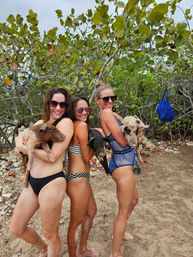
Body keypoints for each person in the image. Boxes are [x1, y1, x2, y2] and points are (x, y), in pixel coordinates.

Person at [9, 87, 74, 257]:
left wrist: (26, 148)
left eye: (62, 104)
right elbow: (17, 150)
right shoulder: (38, 124)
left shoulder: (65, 124)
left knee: (50, 234)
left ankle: (49, 247)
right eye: (54, 103)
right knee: (16, 228)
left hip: (52, 181)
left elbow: (53, 157)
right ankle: (43, 248)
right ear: (48, 104)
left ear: (67, 106)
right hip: (32, 181)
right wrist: (20, 146)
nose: (58, 108)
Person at [95, 82, 138, 257]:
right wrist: (134, 131)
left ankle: (118, 233)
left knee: (134, 201)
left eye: (113, 97)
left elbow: (116, 133)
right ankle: (115, 252)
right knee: (123, 209)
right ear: (98, 101)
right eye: (106, 99)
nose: (110, 101)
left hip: (128, 160)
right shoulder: (106, 113)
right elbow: (122, 140)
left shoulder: (112, 113)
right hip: (122, 163)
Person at [66, 95, 99, 257]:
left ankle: (83, 249)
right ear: (73, 110)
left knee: (91, 211)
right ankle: (75, 254)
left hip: (78, 179)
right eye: (80, 109)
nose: (85, 112)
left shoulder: (72, 125)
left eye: (87, 109)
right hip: (78, 180)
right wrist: (97, 144)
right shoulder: (80, 126)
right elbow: (86, 157)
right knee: (75, 223)